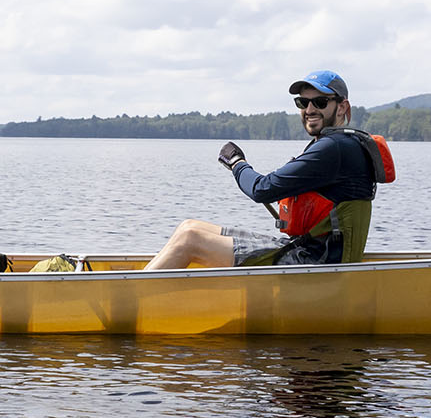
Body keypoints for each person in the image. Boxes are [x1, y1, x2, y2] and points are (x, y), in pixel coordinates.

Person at [144, 70, 377, 270]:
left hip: (315, 264)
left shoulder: (334, 148)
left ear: (342, 107)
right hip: (305, 250)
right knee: (189, 226)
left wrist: (237, 163)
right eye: (302, 103)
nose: (309, 109)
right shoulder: (341, 144)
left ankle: (130, 297)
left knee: (189, 240)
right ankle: (140, 286)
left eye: (320, 102)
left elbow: (262, 189)